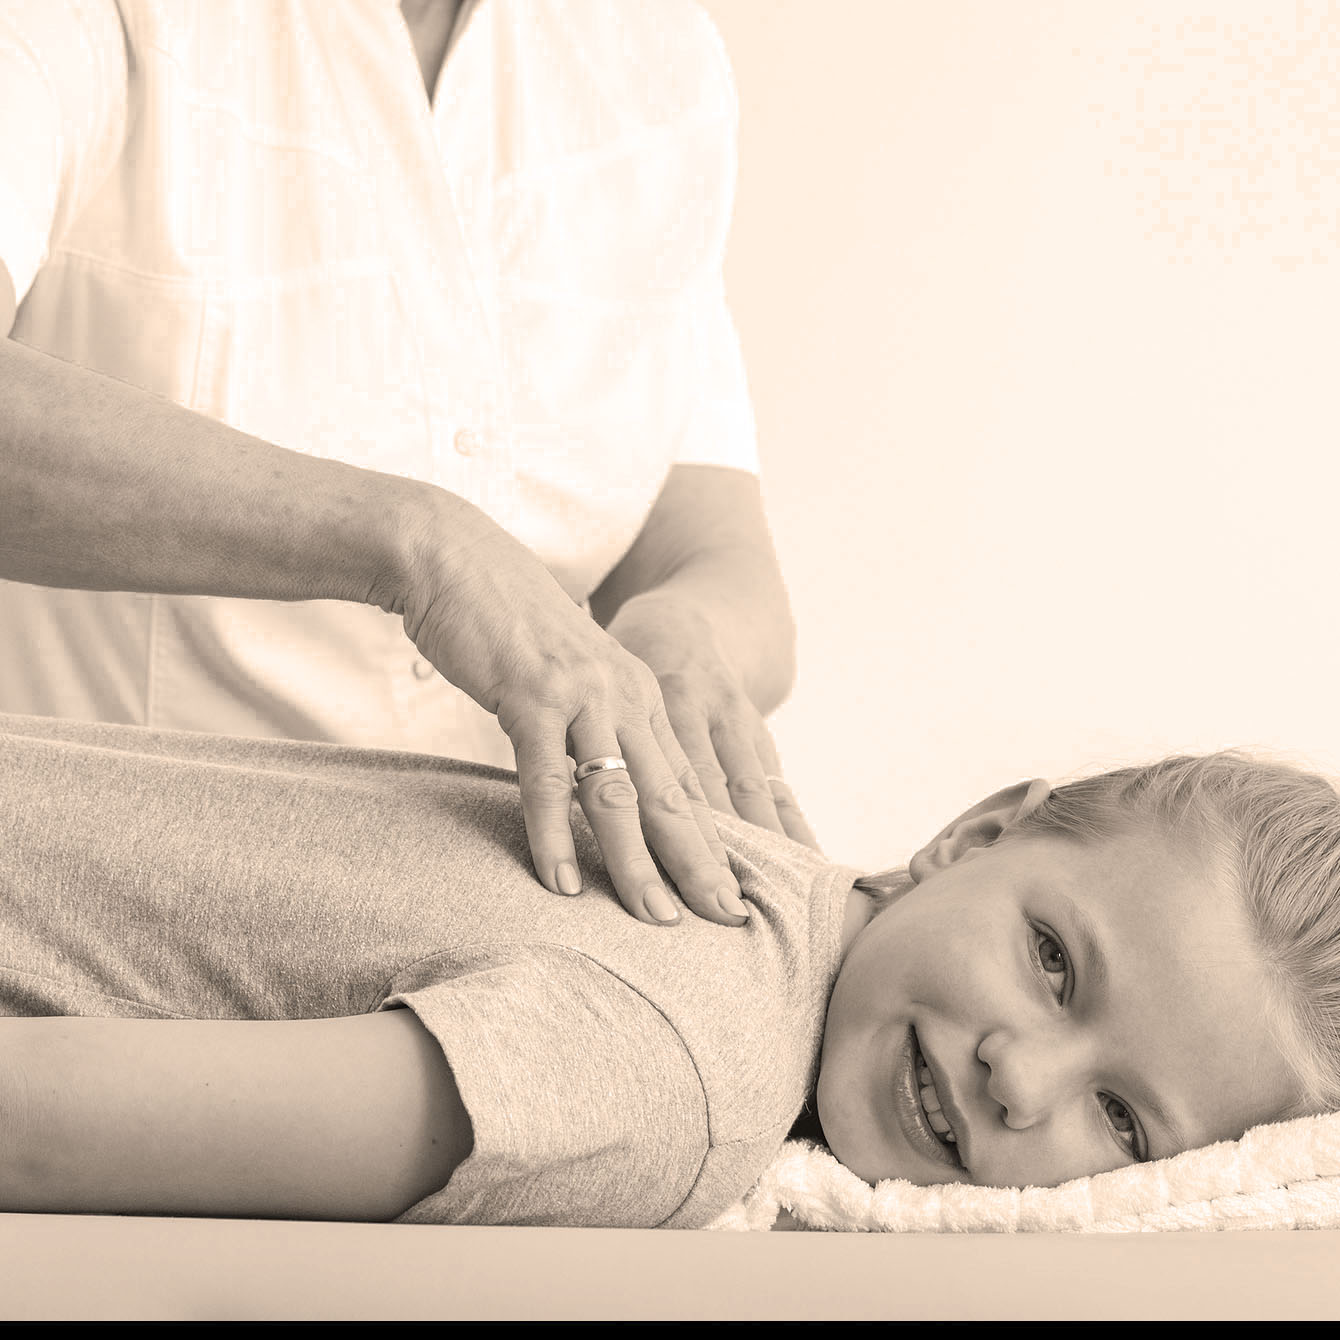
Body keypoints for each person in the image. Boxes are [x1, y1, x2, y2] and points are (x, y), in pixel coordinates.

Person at [0, 0, 814, 926]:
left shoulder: (650, 51)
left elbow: (714, 558)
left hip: (505, 938)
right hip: (102, 933)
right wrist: (416, 548)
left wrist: (680, 635)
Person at [1, 713, 1334, 1226]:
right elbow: (39, 1134)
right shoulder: (683, 1080)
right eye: (1052, 962)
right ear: (972, 833)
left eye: (1122, 1119)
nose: (1019, 1074)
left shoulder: (737, 854)